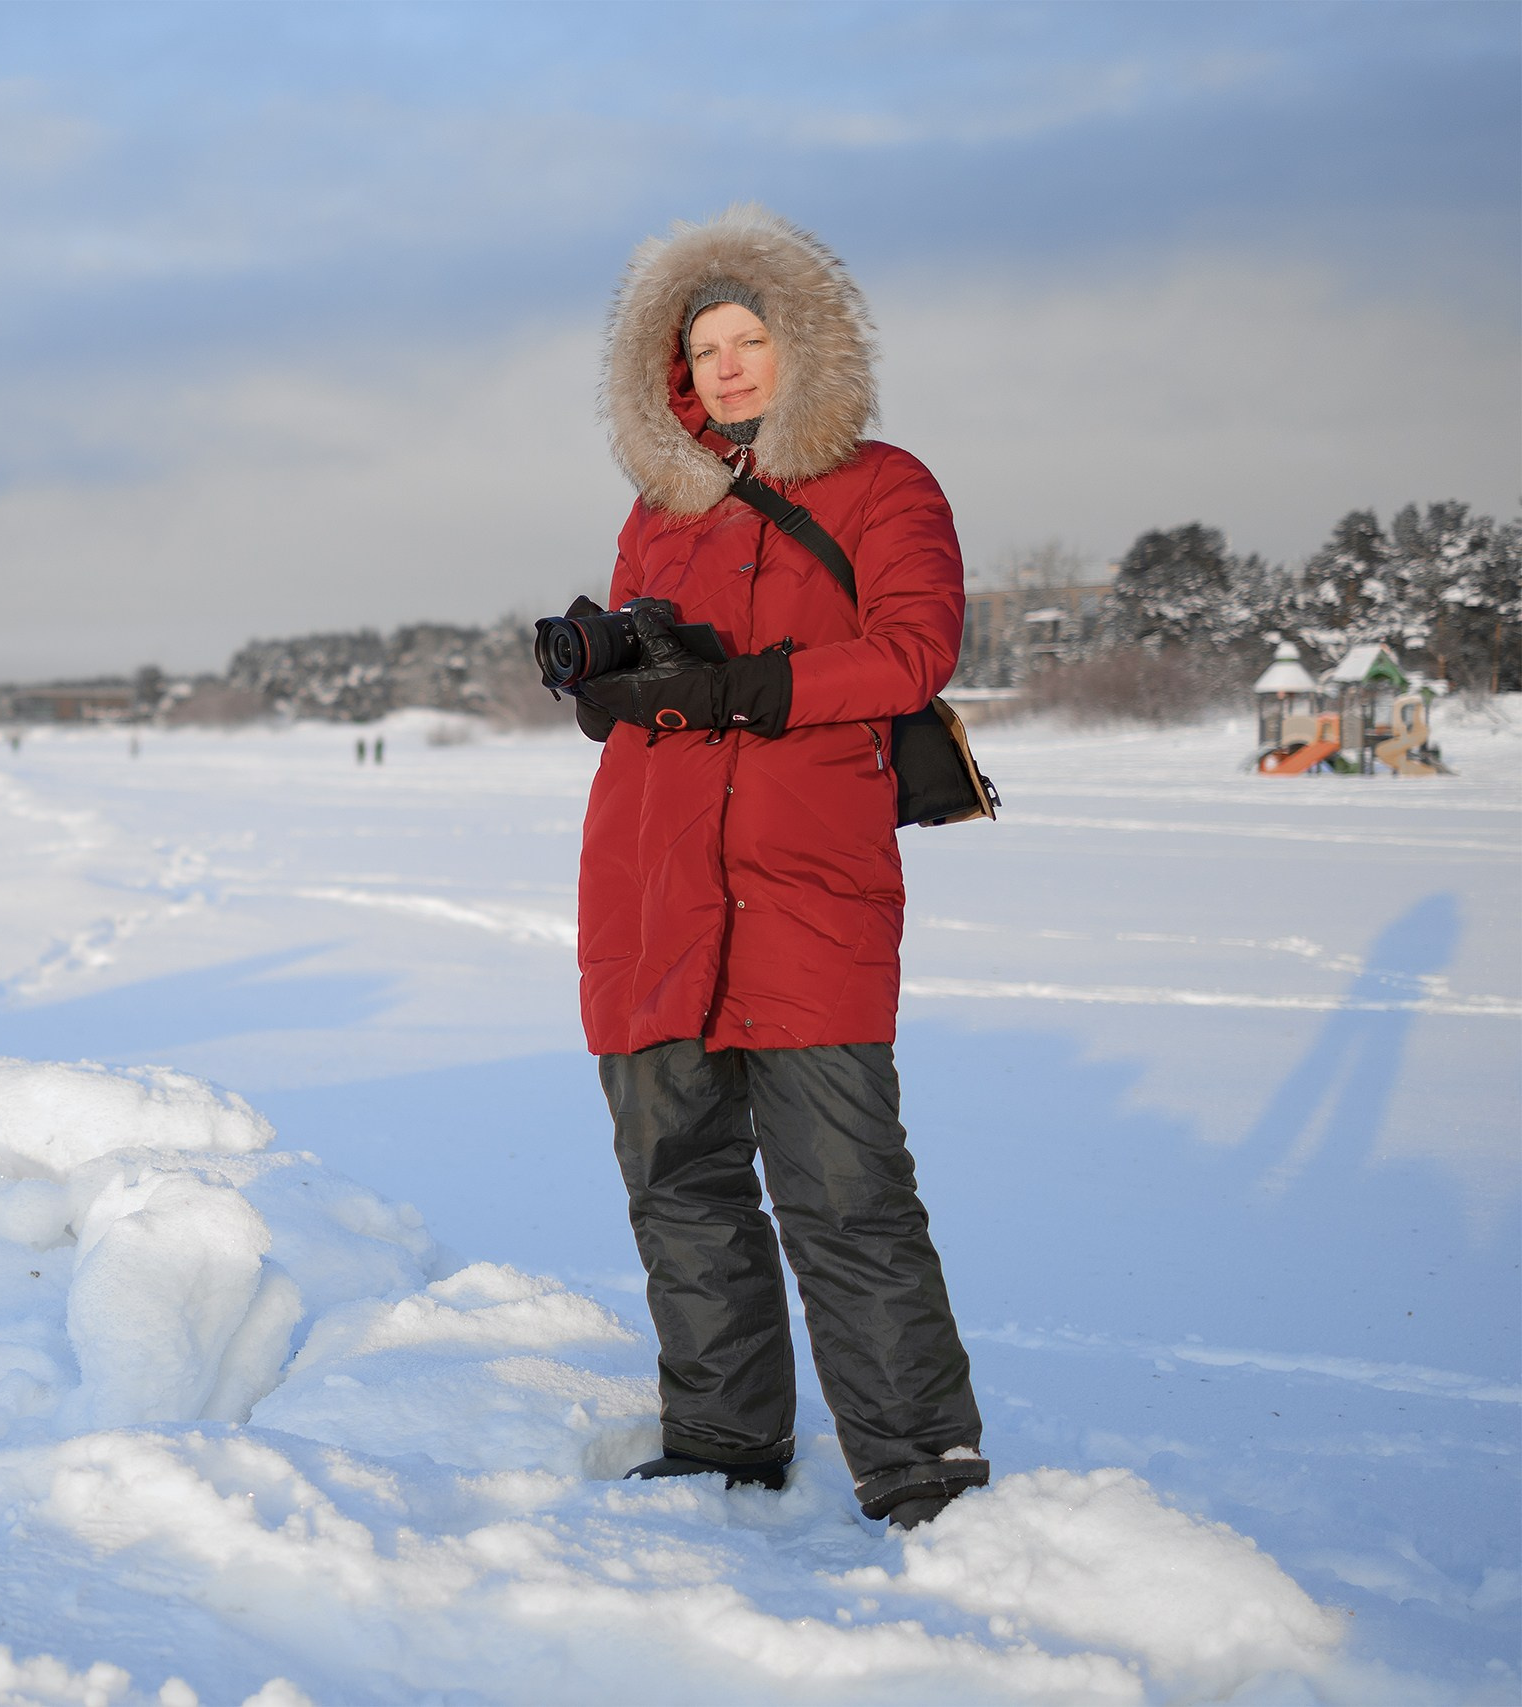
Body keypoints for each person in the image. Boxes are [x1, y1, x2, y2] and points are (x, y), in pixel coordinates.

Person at [565, 205, 986, 1530]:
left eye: (753, 338)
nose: (730, 367)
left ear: (805, 346)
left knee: (847, 1190)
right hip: (652, 880)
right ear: (671, 372)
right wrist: (614, 681)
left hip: (805, 883)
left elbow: (912, 651)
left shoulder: (885, 484)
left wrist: (744, 685)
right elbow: (663, 683)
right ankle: (725, 1438)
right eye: (705, 349)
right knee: (677, 1181)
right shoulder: (658, 507)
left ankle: (919, 1462)